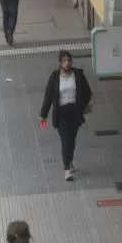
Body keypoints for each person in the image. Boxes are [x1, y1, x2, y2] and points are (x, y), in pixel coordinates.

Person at [40, 51, 93, 181]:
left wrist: (83, 106)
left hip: (74, 111)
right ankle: (67, 169)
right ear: (60, 63)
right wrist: (43, 114)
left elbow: (87, 92)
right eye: (64, 61)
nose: (67, 63)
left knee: (72, 139)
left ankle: (69, 160)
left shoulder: (78, 75)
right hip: (61, 112)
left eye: (69, 60)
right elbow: (48, 96)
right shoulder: (54, 77)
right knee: (66, 140)